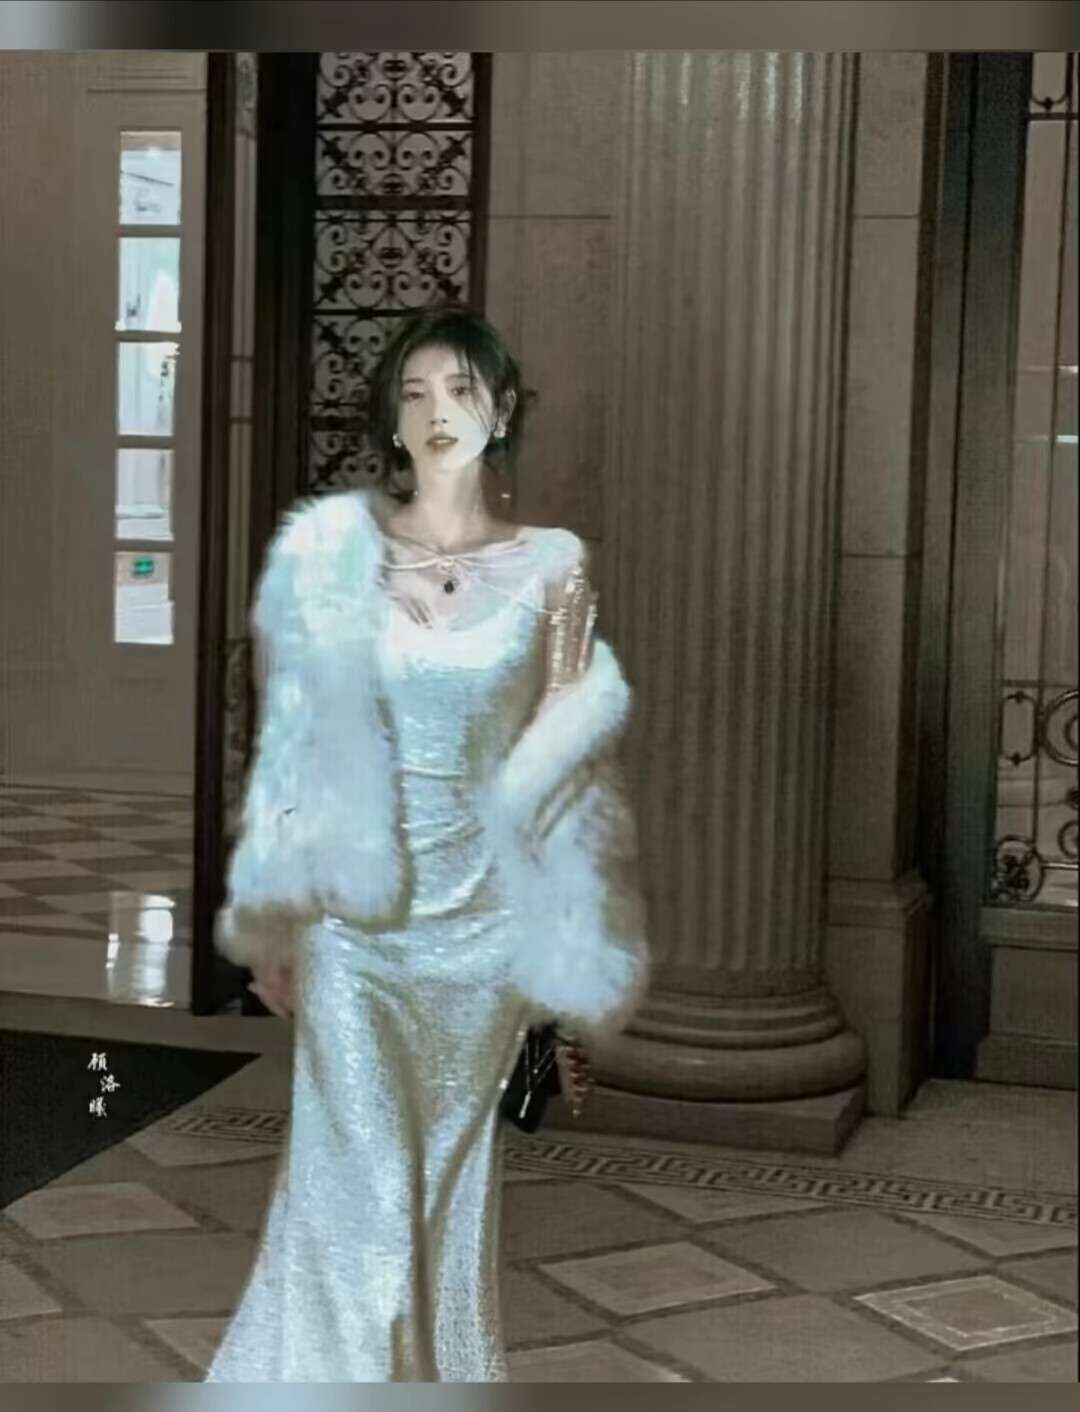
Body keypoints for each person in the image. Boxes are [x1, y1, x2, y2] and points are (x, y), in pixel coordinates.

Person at [205, 304, 649, 1382]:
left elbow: (566, 767)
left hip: (483, 937)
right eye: (412, 393)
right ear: (391, 422)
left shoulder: (554, 569)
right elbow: (298, 746)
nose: (435, 412)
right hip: (357, 931)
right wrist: (276, 917)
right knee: (356, 1207)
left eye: (459, 389)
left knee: (444, 1197)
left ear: (502, 411)